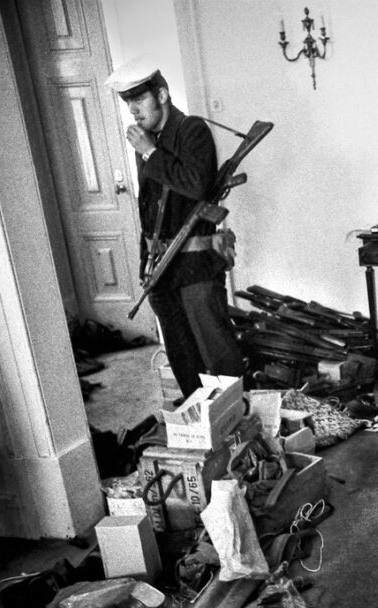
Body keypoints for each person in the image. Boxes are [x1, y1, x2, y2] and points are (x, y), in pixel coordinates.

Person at [105, 57, 243, 398]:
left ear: (162, 95)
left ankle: (238, 421)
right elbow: (149, 208)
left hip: (195, 265)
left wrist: (151, 153)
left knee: (218, 353)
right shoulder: (148, 141)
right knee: (182, 355)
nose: (133, 111)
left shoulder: (192, 130)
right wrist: (145, 264)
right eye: (128, 103)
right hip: (159, 267)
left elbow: (196, 186)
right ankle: (200, 420)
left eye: (139, 100)